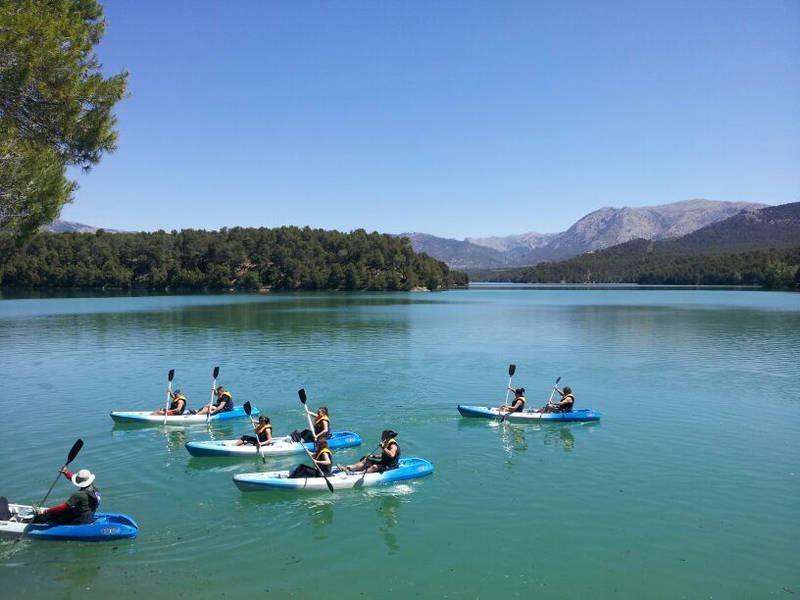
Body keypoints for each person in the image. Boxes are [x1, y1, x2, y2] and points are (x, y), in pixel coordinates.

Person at [33, 468, 101, 525]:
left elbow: (63, 507)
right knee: (64, 511)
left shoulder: (79, 494)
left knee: (53, 516)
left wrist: (46, 511)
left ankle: (35, 521)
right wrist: (66, 472)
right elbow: (73, 478)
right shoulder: (93, 488)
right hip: (89, 516)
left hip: (81, 520)